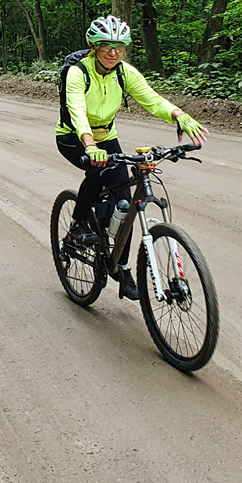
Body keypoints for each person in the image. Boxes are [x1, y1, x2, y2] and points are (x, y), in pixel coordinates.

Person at [56, 15, 207, 300]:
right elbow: (76, 110)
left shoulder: (124, 72)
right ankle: (78, 225)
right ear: (94, 46)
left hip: (105, 137)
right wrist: (89, 145)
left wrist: (179, 114)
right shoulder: (78, 72)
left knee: (125, 203)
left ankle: (121, 268)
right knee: (97, 171)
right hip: (73, 137)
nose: (113, 52)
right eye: (106, 46)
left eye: (119, 46)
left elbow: (152, 100)